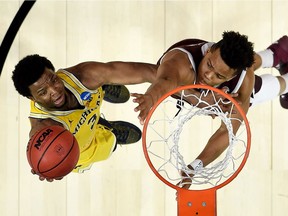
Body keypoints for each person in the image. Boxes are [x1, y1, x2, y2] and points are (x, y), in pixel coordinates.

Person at [131, 31, 288, 188]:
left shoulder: (241, 87)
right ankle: (276, 53)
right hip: (221, 73)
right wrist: (150, 97)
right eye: (209, 65)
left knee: (257, 89)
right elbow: (151, 75)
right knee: (241, 64)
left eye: (218, 76)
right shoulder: (189, 60)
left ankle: (279, 60)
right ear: (209, 51)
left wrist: (194, 167)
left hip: (239, 85)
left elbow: (226, 131)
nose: (208, 75)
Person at [12, 54, 157, 181]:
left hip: (86, 94)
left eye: (54, 80)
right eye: (43, 92)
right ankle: (107, 127)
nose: (54, 90)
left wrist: (169, 81)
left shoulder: (84, 75)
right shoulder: (46, 124)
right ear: (32, 98)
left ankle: (104, 86)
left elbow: (146, 71)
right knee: (109, 146)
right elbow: (38, 135)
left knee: (99, 78)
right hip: (82, 144)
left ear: (55, 73)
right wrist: (45, 162)